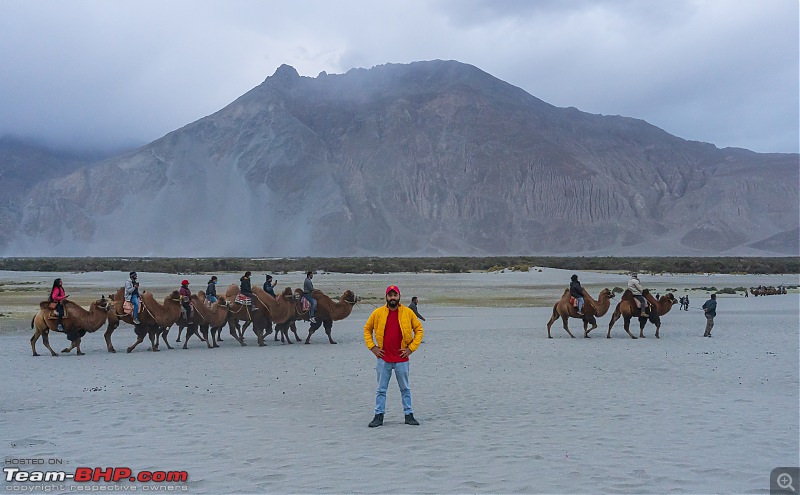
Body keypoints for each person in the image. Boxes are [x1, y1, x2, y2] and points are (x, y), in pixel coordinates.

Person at [363, 285, 424, 428]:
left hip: (402, 359)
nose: (392, 298)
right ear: (386, 297)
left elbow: (419, 330)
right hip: (383, 359)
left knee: (405, 389)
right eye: (390, 295)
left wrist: (411, 349)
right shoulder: (378, 313)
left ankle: (409, 415)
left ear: (399, 297)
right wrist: (373, 347)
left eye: (394, 295)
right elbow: (367, 329)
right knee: (381, 389)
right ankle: (378, 416)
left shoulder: (408, 313)